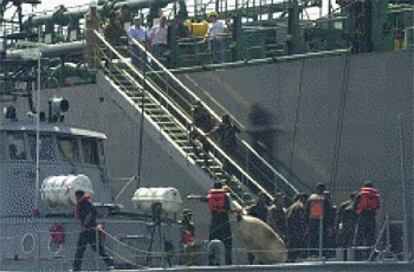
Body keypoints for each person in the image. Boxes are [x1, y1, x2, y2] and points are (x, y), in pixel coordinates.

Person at [72, 190, 113, 271]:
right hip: (92, 229)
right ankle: (109, 261)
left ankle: (76, 267)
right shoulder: (88, 203)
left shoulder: (83, 204)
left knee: (80, 248)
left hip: (88, 229)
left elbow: (89, 214)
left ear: (78, 197)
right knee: (97, 248)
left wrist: (84, 225)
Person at [305, 183, 331, 257]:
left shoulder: (310, 199)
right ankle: (322, 253)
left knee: (312, 238)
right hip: (323, 222)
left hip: (312, 221)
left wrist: (306, 223)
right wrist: (329, 224)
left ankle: (311, 253)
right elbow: (328, 212)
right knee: (323, 238)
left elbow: (306, 211)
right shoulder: (324, 199)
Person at [354, 181, 380, 247]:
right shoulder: (375, 195)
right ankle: (370, 249)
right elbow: (378, 206)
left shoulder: (361, 194)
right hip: (371, 216)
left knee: (360, 233)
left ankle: (358, 250)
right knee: (371, 234)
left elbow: (355, 205)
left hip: (363, 214)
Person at [286, 193, 308, 260]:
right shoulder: (300, 206)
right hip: (296, 230)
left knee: (292, 246)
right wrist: (303, 231)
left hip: (290, 230)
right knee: (297, 247)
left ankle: (290, 259)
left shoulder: (291, 206)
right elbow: (301, 220)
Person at [84, 2, 102, 69]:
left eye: (94, 8)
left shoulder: (98, 16)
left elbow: (100, 24)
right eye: (92, 8)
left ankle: (98, 64)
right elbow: (89, 21)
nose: (93, 10)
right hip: (89, 36)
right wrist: (92, 16)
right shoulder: (87, 15)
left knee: (97, 50)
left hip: (96, 36)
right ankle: (90, 64)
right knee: (90, 50)